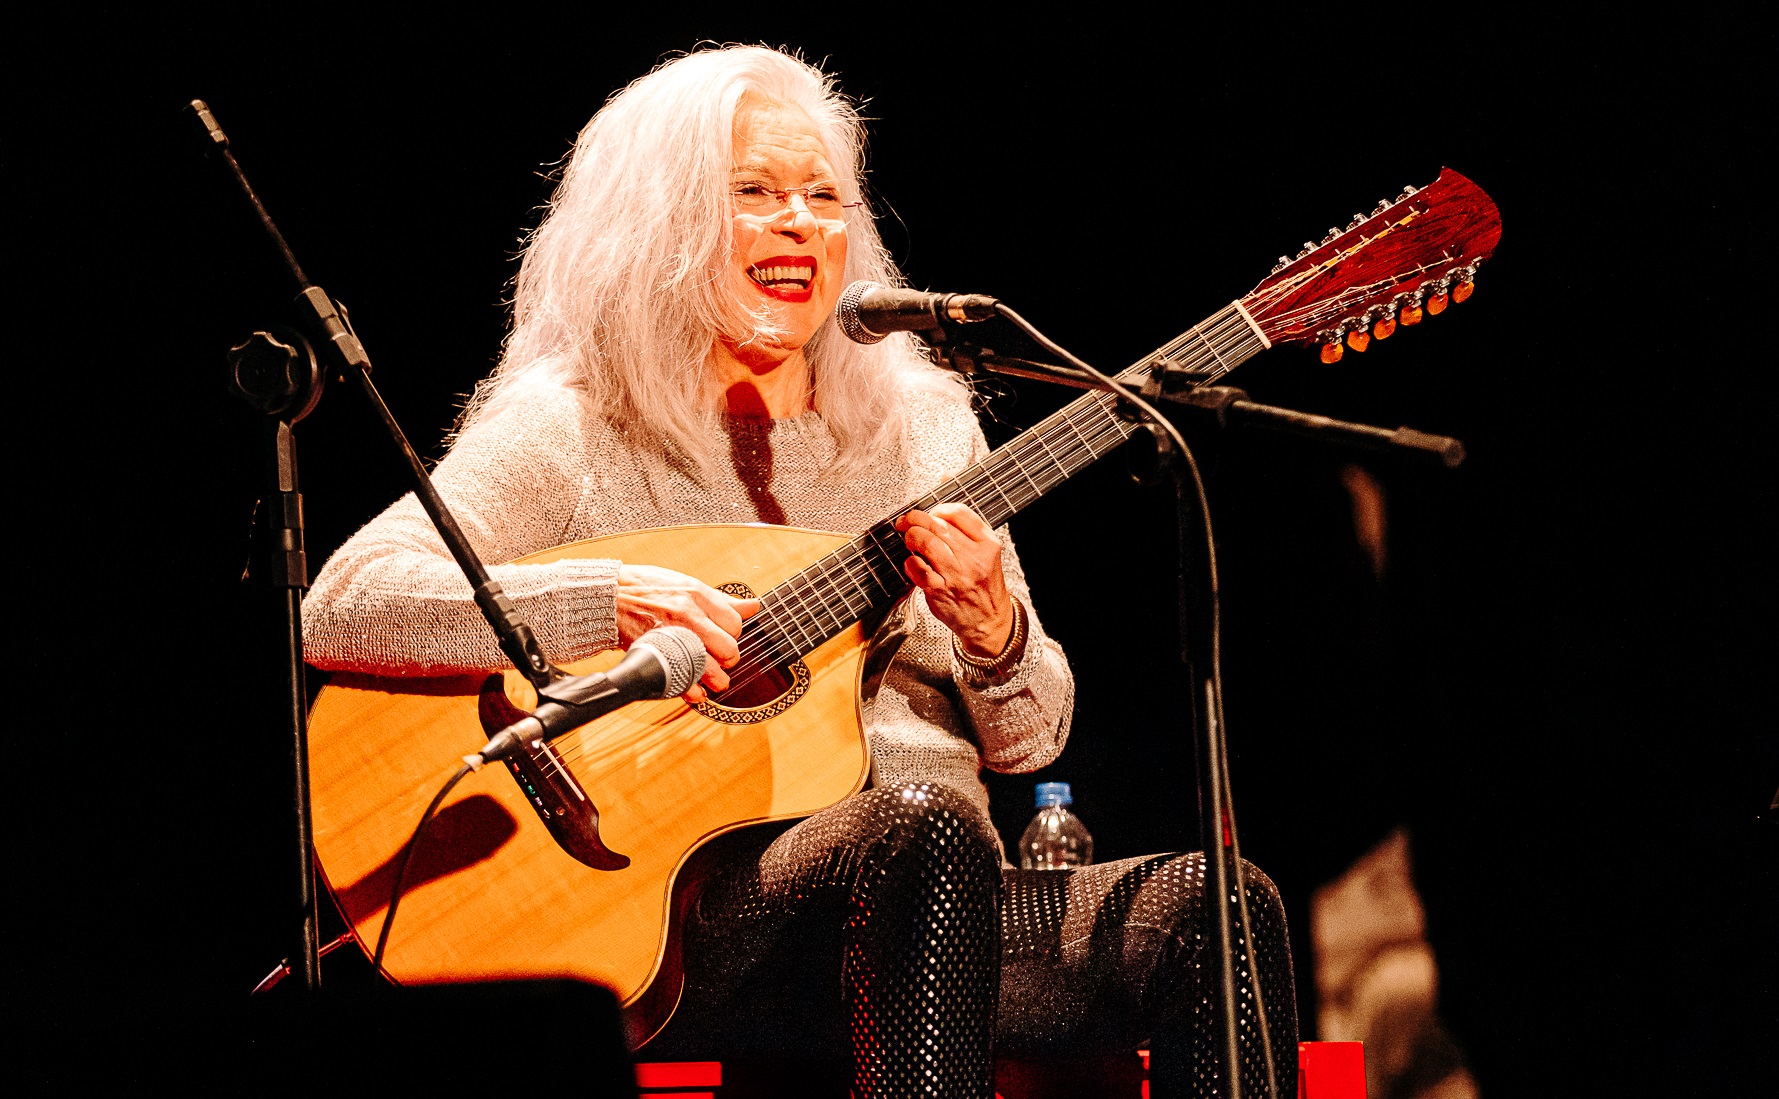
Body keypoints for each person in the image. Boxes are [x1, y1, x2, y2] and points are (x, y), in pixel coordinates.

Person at [303, 45, 1295, 1098]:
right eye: (756, 193)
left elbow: (1031, 738)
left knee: (1219, 905)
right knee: (919, 822)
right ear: (664, 220)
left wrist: (995, 630)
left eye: (826, 197)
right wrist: (605, 601)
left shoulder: (920, 424)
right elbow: (347, 604)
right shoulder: (575, 425)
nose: (801, 225)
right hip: (711, 918)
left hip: (952, 910)